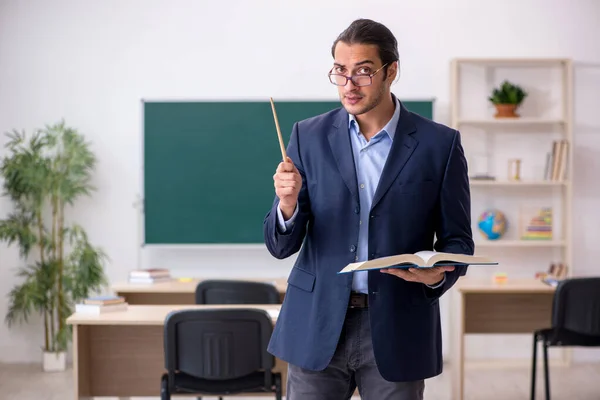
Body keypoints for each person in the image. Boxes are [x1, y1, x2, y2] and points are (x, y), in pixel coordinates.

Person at [263, 18, 474, 400]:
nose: (349, 85)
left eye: (362, 72)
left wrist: (436, 277)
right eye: (340, 72)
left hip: (398, 325)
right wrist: (288, 204)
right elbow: (281, 246)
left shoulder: (438, 144)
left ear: (391, 71)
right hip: (317, 323)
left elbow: (458, 241)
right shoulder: (306, 136)